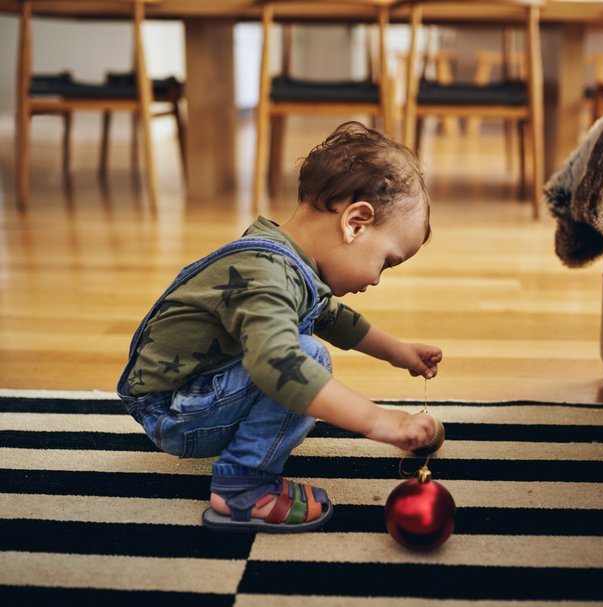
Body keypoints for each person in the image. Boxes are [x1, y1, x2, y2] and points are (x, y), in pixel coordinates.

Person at [116, 121, 442, 532]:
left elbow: (330, 316)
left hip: (194, 391)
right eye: (387, 262)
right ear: (355, 222)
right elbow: (276, 361)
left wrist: (399, 352)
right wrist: (383, 423)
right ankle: (242, 488)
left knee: (306, 348)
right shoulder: (266, 276)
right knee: (305, 357)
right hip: (177, 413)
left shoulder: (286, 258)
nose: (377, 279)